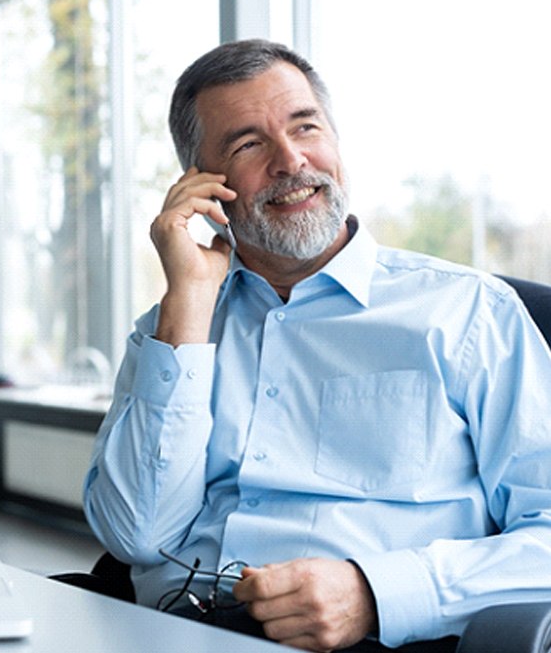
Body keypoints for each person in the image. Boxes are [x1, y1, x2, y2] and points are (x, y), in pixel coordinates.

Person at [83, 39, 551, 652]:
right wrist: (189, 307)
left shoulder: (468, 313)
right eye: (249, 144)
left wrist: (377, 592)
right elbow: (136, 537)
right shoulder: (175, 327)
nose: (291, 160)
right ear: (202, 185)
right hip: (170, 633)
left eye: (306, 127)